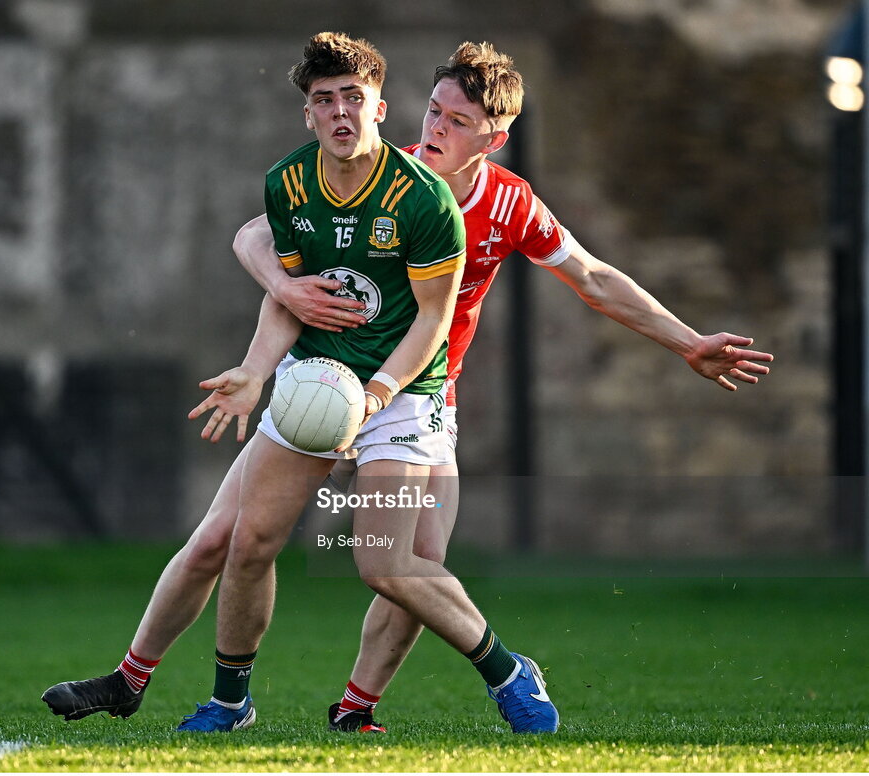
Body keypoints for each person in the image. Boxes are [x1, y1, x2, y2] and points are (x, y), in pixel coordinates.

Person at [41, 37, 772, 735]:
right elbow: (256, 233)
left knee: (406, 564)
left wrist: (688, 342)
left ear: (494, 137)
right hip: (322, 379)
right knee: (230, 539)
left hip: (415, 396)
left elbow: (591, 276)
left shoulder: (504, 204)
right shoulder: (365, 165)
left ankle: (363, 705)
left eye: (458, 121)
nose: (437, 129)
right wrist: (286, 297)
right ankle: (144, 682)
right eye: (432, 111)